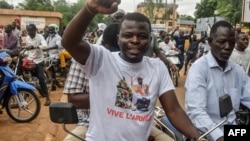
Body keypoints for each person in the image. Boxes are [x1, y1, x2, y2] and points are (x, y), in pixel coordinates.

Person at [61, 1, 202, 141]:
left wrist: (198, 137)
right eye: (128, 35)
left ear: (149, 40)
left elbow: (174, 110)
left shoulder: (157, 67)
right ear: (118, 39)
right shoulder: (101, 59)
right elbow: (69, 42)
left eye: (142, 36)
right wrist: (89, 9)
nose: (135, 40)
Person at [185, 20, 250, 141]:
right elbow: (196, 112)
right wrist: (219, 137)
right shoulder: (199, 69)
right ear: (210, 42)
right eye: (222, 42)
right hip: (205, 132)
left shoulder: (237, 71)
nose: (228, 47)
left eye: (231, 42)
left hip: (232, 130)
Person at [24, 24, 51, 106]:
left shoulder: (40, 37)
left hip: (39, 59)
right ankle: (23, 97)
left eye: (31, 30)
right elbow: (27, 50)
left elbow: (45, 46)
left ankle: (47, 98)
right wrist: (24, 53)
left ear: (35, 30)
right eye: (28, 30)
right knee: (23, 75)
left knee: (40, 77)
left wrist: (36, 46)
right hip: (30, 59)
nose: (29, 32)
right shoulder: (27, 38)